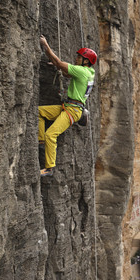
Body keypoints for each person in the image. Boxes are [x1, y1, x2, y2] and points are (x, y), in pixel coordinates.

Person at [38, 35, 97, 176]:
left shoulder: (82, 71)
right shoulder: (88, 72)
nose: (76, 59)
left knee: (51, 134)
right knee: (39, 112)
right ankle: (41, 141)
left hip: (73, 110)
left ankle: (49, 168)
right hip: (69, 107)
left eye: (79, 58)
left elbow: (59, 63)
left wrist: (45, 46)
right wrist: (58, 66)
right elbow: (65, 72)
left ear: (86, 61)